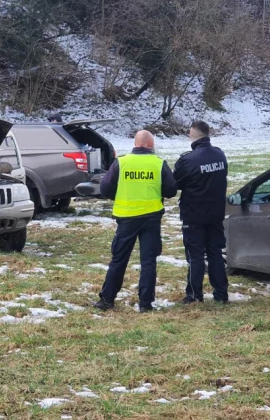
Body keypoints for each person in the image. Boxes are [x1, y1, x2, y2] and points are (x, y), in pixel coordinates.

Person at [96, 130, 178, 312]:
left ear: (136, 143)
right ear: (149, 144)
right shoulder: (158, 164)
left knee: (119, 259)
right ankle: (145, 303)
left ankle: (107, 299)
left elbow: (105, 189)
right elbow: (171, 190)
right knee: (148, 261)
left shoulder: (122, 162)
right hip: (151, 218)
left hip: (126, 219)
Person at [173, 120, 229, 304]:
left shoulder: (188, 160)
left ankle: (194, 295)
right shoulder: (220, 155)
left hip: (194, 214)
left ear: (192, 133)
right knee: (215, 254)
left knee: (195, 255)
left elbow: (175, 184)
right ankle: (221, 294)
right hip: (215, 214)